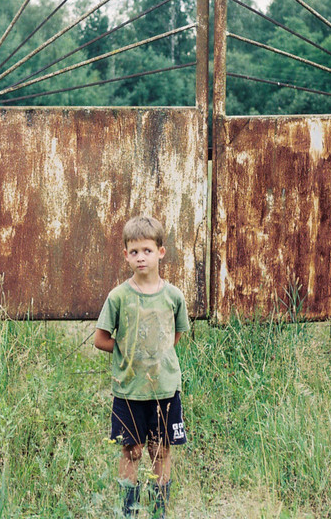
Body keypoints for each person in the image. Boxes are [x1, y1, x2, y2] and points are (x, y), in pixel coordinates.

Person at [94, 216, 190, 518]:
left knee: (160, 451)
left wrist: (154, 355)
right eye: (134, 252)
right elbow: (100, 339)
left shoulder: (173, 296)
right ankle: (128, 511)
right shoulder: (119, 297)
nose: (141, 257)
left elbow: (174, 336)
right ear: (126, 255)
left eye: (147, 250)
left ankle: (160, 511)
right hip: (129, 391)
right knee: (132, 451)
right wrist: (128, 352)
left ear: (161, 252)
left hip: (164, 389)